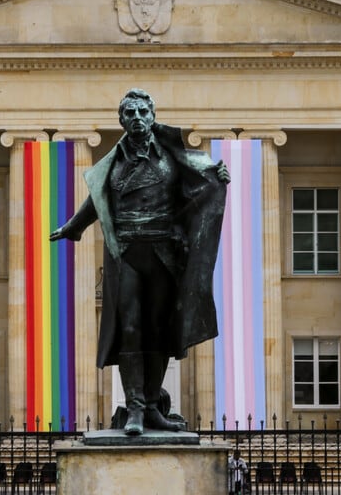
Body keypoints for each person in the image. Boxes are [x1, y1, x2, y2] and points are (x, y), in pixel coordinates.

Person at [50, 88, 229, 436]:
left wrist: (215, 180)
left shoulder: (172, 158)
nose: (137, 118)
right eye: (129, 113)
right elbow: (97, 200)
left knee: (158, 331)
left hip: (163, 253)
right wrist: (74, 227)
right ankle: (134, 409)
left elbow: (198, 189)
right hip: (127, 253)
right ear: (121, 120)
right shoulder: (114, 163)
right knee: (130, 329)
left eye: (142, 112)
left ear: (152, 116)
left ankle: (151, 407)